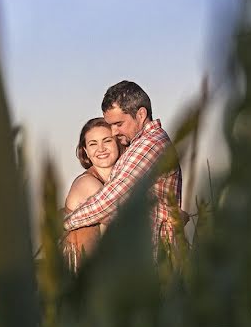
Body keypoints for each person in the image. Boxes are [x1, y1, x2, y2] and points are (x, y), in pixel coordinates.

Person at [64, 80, 183, 254]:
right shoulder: (144, 144)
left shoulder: (148, 145)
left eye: (119, 124)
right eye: (111, 125)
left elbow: (109, 202)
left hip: (155, 259)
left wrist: (66, 222)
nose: (113, 132)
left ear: (141, 114)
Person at [63, 117, 122, 267]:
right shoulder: (86, 182)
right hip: (82, 276)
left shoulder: (117, 182)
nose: (100, 149)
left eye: (107, 141)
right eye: (93, 144)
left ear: (118, 143)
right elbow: (121, 217)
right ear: (86, 151)